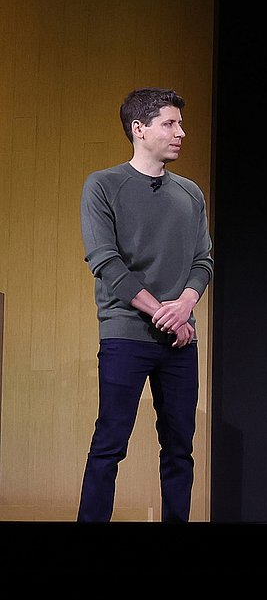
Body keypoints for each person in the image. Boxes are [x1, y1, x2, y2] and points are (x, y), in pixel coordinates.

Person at [78, 87, 214, 522]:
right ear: (139, 129)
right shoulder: (103, 185)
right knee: (110, 442)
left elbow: (203, 260)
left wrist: (186, 304)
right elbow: (106, 262)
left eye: (180, 123)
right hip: (127, 334)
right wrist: (164, 313)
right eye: (170, 123)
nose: (181, 132)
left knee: (180, 448)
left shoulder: (191, 193)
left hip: (179, 340)